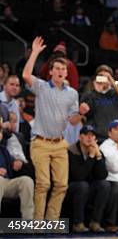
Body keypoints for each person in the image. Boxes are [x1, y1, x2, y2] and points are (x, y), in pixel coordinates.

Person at [22, 36, 80, 220]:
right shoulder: (41, 87)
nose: (61, 71)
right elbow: (25, 75)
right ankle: (38, 222)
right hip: (40, 142)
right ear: (51, 71)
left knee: (62, 185)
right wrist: (35, 53)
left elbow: (73, 120)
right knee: (43, 184)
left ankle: (52, 222)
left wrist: (82, 113)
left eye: (64, 69)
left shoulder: (73, 93)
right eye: (57, 68)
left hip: (60, 143)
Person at [66, 125, 111, 233]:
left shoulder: (96, 151)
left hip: (88, 188)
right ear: (80, 137)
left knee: (104, 185)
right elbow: (78, 176)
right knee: (82, 185)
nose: (89, 138)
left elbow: (102, 175)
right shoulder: (71, 151)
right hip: (72, 188)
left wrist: (98, 156)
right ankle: (78, 223)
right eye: (86, 135)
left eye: (92, 135)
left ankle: (95, 222)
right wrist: (91, 157)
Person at [79, 65, 118, 142]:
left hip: (115, 137)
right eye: (101, 76)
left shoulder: (116, 94)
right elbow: (87, 113)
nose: (103, 79)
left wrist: (113, 83)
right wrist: (97, 92)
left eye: (106, 77)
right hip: (96, 138)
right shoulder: (88, 95)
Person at [0, 123, 34, 219]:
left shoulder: (3, 150)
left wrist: (17, 160)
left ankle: (27, 223)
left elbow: (13, 162)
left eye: (0, 132)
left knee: (26, 181)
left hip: (7, 182)